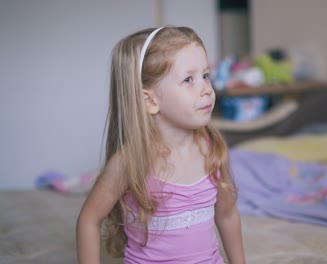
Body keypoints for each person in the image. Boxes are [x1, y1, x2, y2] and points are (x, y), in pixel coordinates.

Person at [76, 26, 245, 264]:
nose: (206, 89)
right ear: (151, 101)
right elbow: (89, 219)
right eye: (189, 79)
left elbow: (226, 215)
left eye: (206, 75)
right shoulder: (130, 161)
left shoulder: (213, 151)